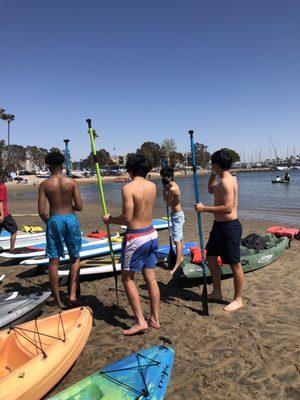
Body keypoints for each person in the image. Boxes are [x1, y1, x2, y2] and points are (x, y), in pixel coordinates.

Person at [102, 154, 160, 335]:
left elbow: (127, 218)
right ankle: (155, 318)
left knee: (127, 278)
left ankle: (140, 321)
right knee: (150, 277)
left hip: (136, 237)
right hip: (151, 234)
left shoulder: (128, 188)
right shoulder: (152, 185)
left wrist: (110, 220)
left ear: (130, 168)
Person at [195, 149, 244, 312]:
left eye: (212, 164)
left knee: (234, 264)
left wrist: (204, 209)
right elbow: (210, 189)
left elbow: (228, 208)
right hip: (218, 226)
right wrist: (212, 173)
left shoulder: (227, 181)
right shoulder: (221, 179)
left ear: (216, 165)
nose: (210, 166)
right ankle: (217, 291)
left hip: (229, 227)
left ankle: (238, 299)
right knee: (210, 256)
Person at [38, 151, 83, 308]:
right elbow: (79, 206)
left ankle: (57, 299)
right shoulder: (71, 182)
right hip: (70, 219)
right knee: (75, 257)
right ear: (62, 165)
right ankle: (72, 295)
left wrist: (49, 222)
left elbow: (41, 211)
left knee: (54, 260)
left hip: (54, 219)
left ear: (49, 167)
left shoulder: (45, 184)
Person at [160, 165, 185, 276]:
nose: (163, 178)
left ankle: (178, 262)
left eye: (165, 177)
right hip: (175, 214)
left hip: (177, 215)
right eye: (162, 176)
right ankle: (182, 257)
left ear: (170, 177)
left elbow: (168, 202)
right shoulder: (169, 186)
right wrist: (163, 189)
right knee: (179, 237)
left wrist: (165, 190)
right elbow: (166, 200)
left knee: (176, 240)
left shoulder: (173, 188)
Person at [0, 171, 18, 253]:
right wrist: (2, 215)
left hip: (2, 213)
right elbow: (0, 201)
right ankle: (12, 250)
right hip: (3, 214)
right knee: (14, 230)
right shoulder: (2, 186)